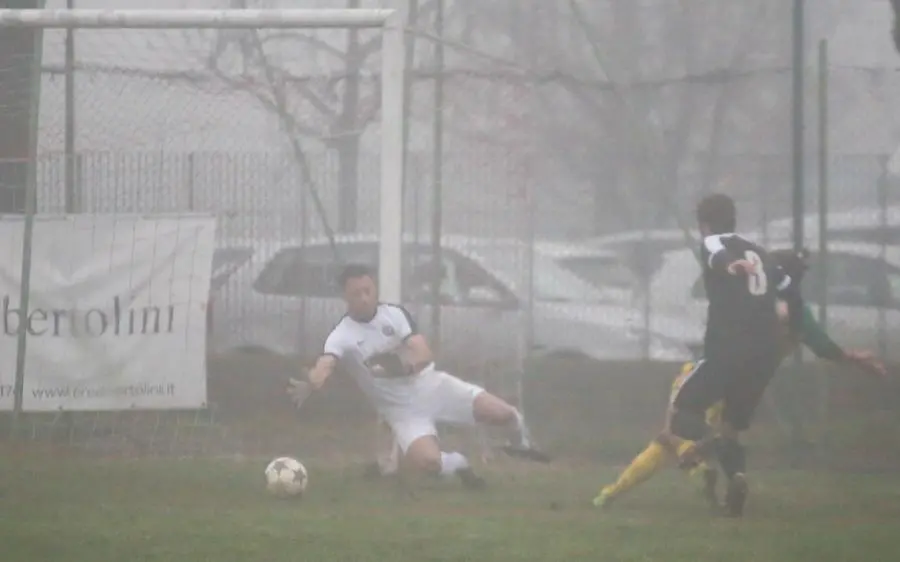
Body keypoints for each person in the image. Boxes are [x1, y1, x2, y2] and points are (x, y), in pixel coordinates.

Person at [593, 248, 886, 511]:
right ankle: (734, 476)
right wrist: (855, 358)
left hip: (714, 372)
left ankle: (640, 482)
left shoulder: (749, 298)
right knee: (730, 433)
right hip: (751, 382)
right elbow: (824, 347)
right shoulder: (799, 312)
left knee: (671, 431)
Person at [287, 264, 549, 490]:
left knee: (505, 414)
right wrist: (314, 379)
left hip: (433, 387)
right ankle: (458, 463)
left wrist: (402, 368)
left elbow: (423, 353)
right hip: (402, 411)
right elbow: (326, 362)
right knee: (429, 464)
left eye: (369, 291)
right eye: (357, 294)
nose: (365, 298)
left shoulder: (394, 314)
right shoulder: (341, 335)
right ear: (345, 296)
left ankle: (521, 444)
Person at [664, 193, 800, 517]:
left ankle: (707, 445)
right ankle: (736, 478)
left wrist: (729, 265)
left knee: (682, 410)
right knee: (732, 425)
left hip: (728, 347)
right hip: (764, 352)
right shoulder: (762, 253)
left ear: (704, 223)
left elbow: (716, 253)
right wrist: (784, 312)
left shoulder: (713, 241)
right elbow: (788, 285)